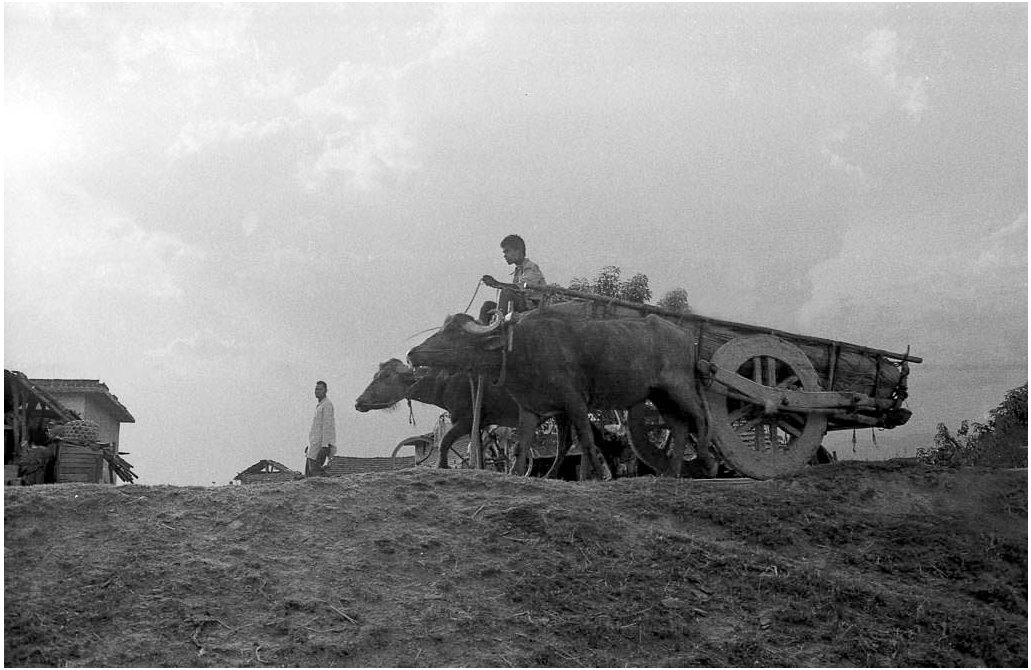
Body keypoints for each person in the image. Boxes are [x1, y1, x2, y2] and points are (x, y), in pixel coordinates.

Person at [496, 234, 547, 315]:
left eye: (507, 251)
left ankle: (499, 323)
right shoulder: (518, 270)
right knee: (488, 305)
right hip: (521, 303)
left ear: (518, 251)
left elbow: (521, 287)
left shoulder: (531, 267)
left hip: (532, 307)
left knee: (506, 292)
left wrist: (497, 284)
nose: (504, 255)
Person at [305, 380, 336, 477]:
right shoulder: (320, 405)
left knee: (315, 471)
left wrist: (325, 445)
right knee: (309, 471)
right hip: (314, 443)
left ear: (325, 391)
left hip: (321, 444)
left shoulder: (327, 405)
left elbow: (327, 426)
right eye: (316, 389)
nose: (317, 391)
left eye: (320, 389)